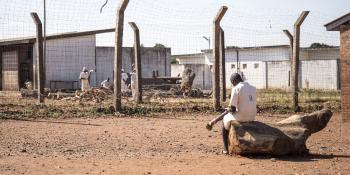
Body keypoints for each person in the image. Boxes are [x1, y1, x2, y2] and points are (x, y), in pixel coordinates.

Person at [207, 73, 257, 154]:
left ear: (234, 81)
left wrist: (229, 109)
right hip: (252, 116)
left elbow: (233, 109)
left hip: (242, 116)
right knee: (229, 115)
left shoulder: (236, 88)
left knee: (225, 120)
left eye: (232, 82)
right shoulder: (253, 88)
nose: (232, 84)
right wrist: (230, 109)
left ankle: (225, 149)